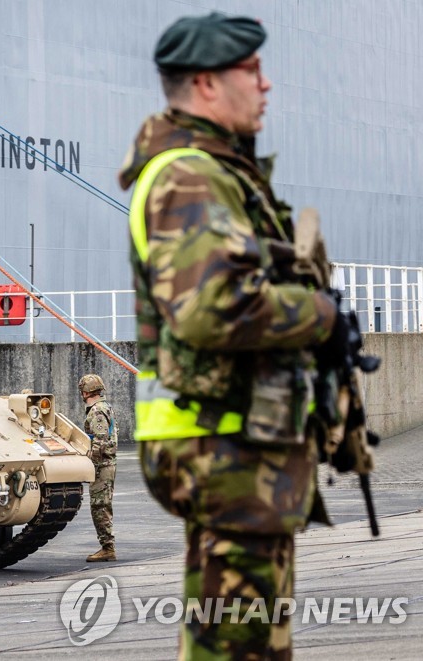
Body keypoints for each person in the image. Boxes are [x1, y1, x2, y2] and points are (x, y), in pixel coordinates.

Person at [119, 12, 339, 660]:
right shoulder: (191, 176)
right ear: (209, 84)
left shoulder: (211, 170)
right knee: (238, 646)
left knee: (247, 641)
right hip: (220, 444)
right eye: (253, 70)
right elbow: (211, 308)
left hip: (235, 445)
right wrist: (320, 314)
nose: (266, 85)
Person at [79, 374, 116, 562]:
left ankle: (107, 548)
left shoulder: (96, 411)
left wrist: (89, 464)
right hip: (106, 463)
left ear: (86, 392)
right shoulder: (105, 407)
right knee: (102, 505)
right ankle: (107, 546)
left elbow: (100, 441)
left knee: (100, 507)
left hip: (102, 465)